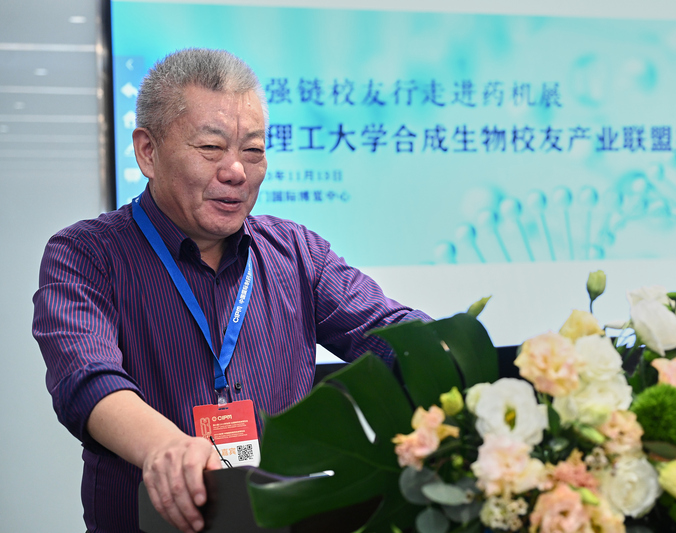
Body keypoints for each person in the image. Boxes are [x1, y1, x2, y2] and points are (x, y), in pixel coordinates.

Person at [32, 48, 430, 533]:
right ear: (148, 151)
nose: (236, 171)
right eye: (211, 147)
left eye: (253, 151)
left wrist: (459, 361)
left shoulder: (296, 252)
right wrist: (166, 447)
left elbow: (390, 334)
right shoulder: (86, 254)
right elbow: (86, 379)